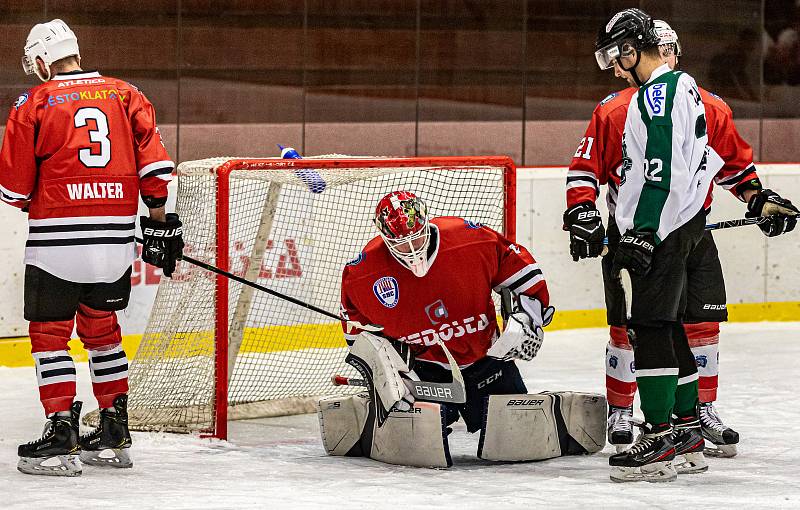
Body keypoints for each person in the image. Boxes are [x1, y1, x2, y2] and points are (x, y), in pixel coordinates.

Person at [564, 18, 798, 463]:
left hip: (669, 230)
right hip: (651, 228)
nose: (614, 70)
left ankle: (684, 419)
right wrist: (583, 210)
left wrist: (757, 198)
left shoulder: (692, 102)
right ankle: (625, 410)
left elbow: (723, 168)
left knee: (686, 325)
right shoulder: (618, 109)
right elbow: (587, 168)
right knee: (640, 325)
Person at [0, 19, 184, 476]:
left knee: (49, 337)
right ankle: (113, 430)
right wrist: (159, 224)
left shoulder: (35, 102)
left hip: (56, 244)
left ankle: (61, 431)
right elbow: (157, 172)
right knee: (102, 333)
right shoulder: (125, 93)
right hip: (116, 243)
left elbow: (13, 188)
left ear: (42, 60)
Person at [319, 191, 606, 467]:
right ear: (385, 239)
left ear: (427, 224)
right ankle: (369, 413)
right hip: (424, 373)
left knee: (519, 435)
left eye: (417, 238)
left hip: (486, 362)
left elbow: (523, 272)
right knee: (412, 443)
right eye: (402, 244)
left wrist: (529, 316)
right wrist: (389, 374)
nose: (413, 249)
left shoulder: (469, 239)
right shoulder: (363, 274)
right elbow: (358, 336)